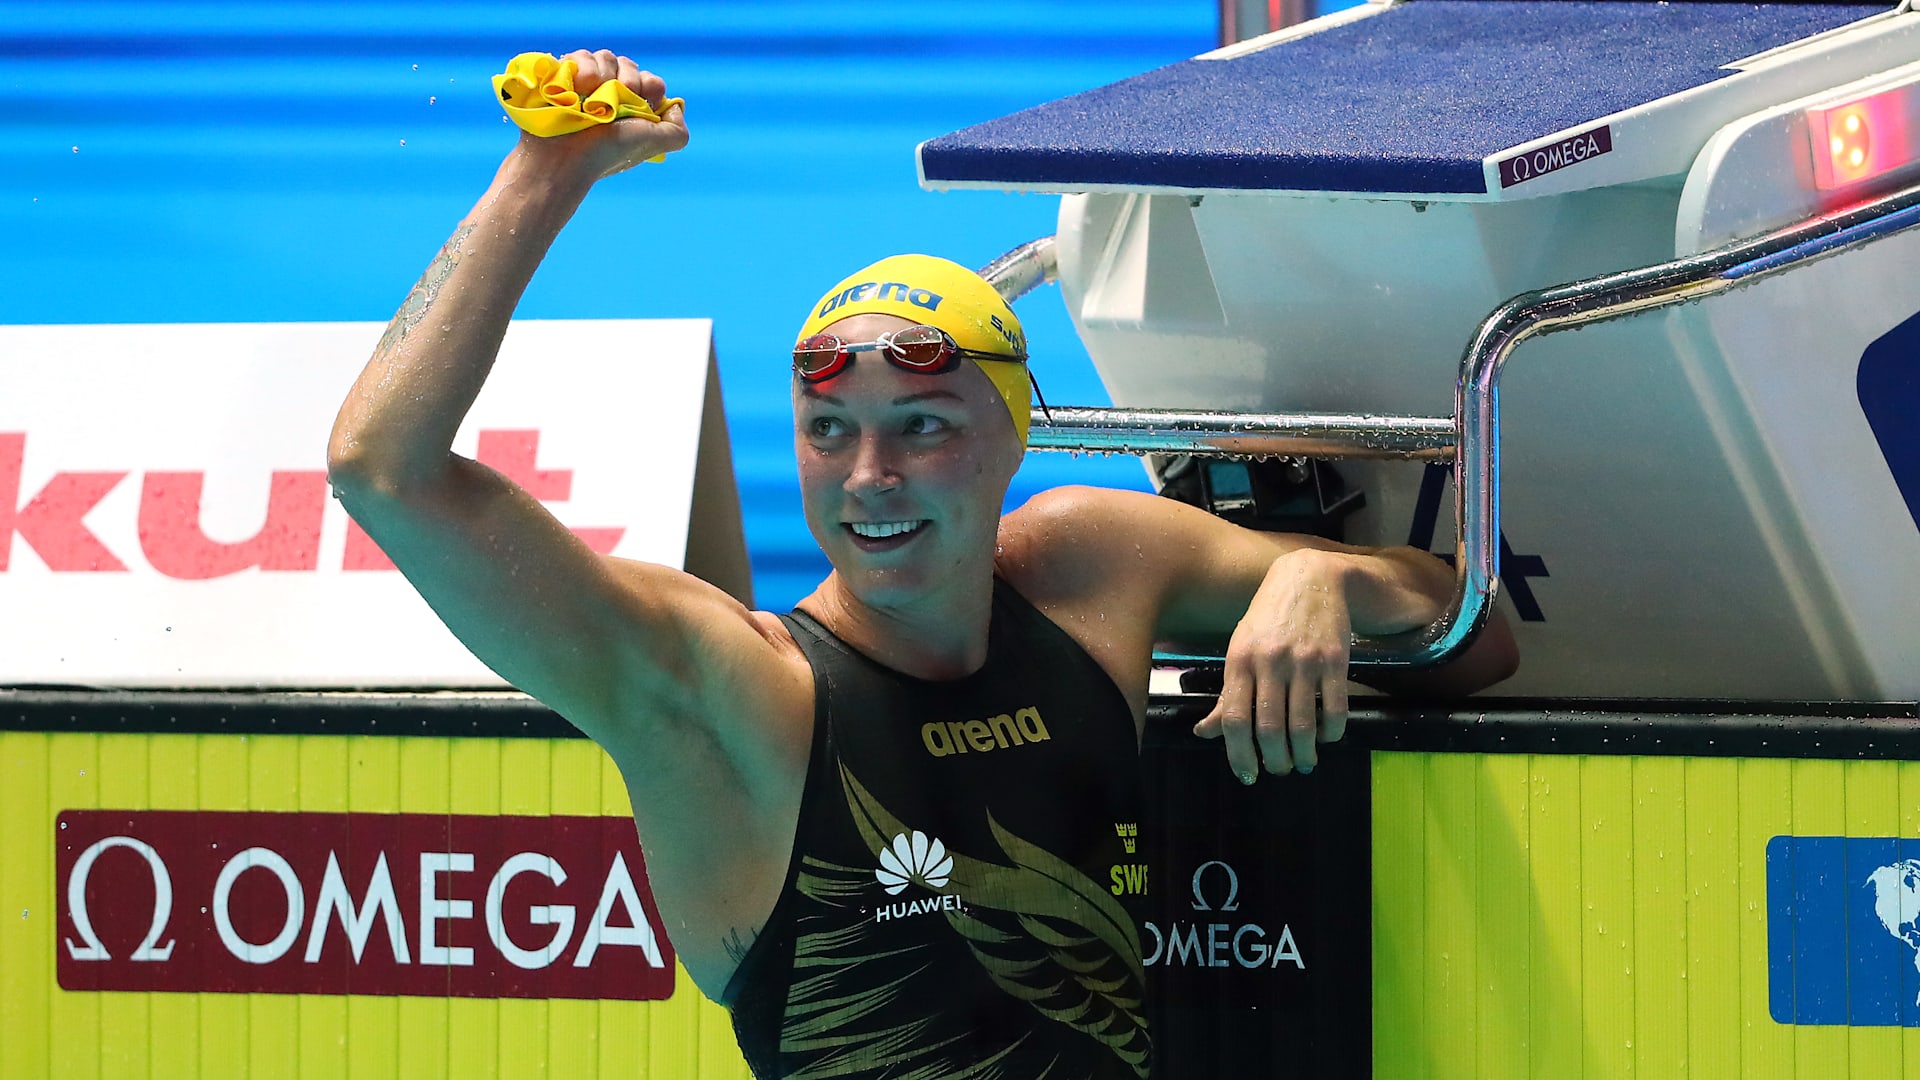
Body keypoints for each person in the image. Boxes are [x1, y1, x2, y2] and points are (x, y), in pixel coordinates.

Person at [327, 49, 1518, 1080]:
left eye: (922, 428)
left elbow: (1476, 637)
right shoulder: (734, 694)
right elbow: (383, 469)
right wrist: (544, 174)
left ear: (1013, 436)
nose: (869, 478)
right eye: (828, 432)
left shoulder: (1089, 568)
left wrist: (1325, 579)